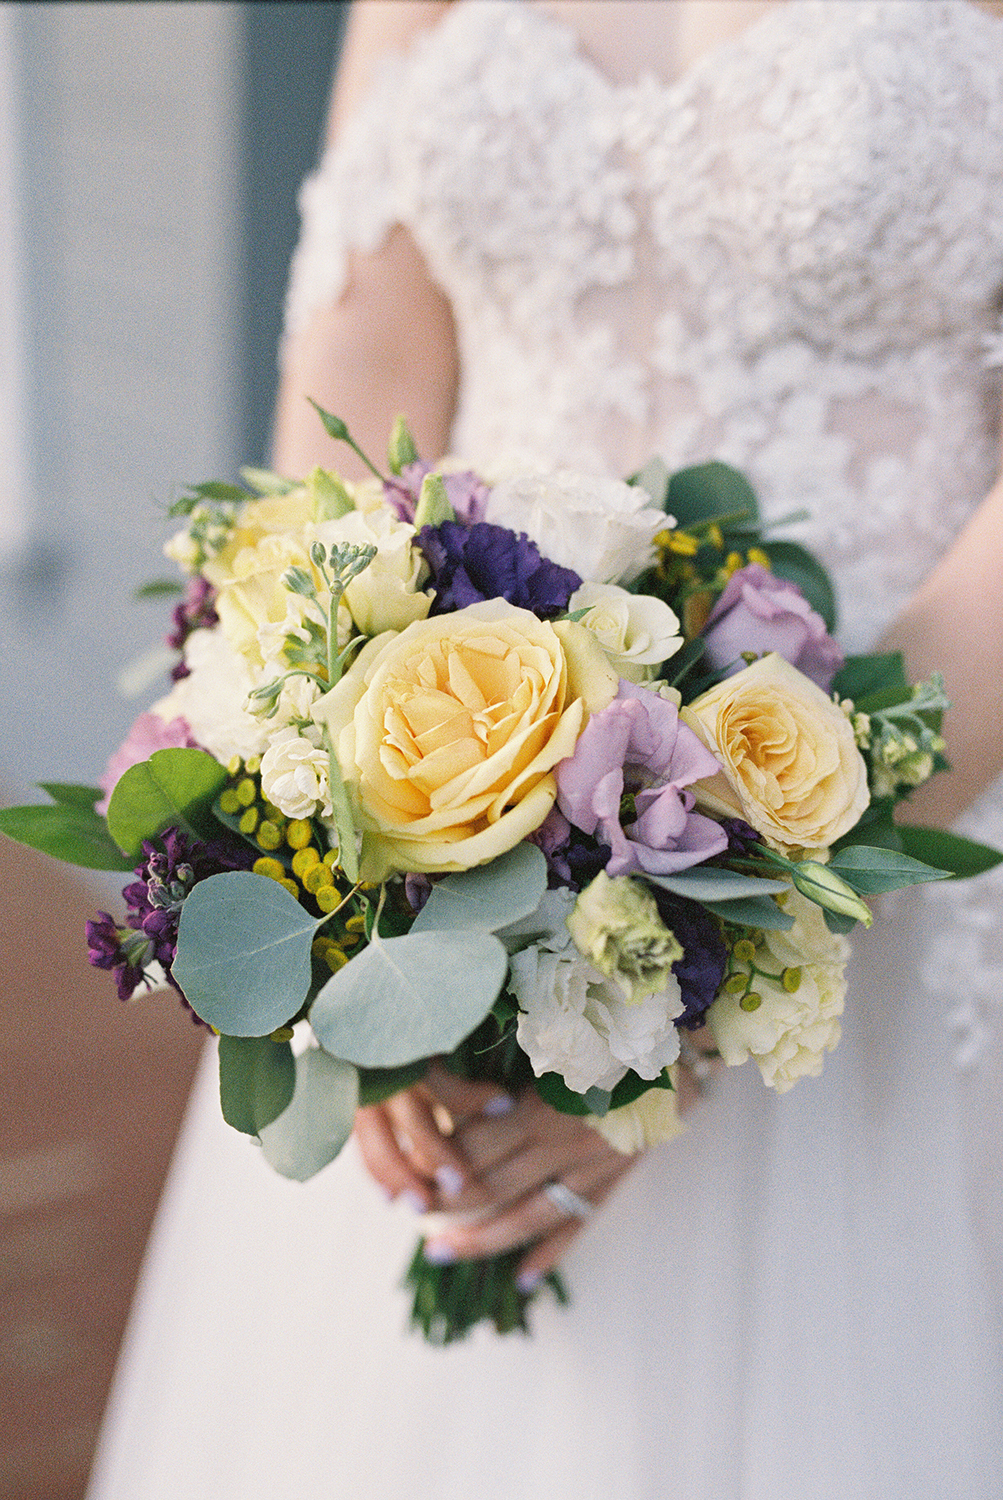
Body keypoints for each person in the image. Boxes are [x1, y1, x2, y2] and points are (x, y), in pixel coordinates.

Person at [86, 3, 1003, 1496]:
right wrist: (349, 927)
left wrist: (714, 973)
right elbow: (363, 375)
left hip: (897, 850)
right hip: (437, 823)